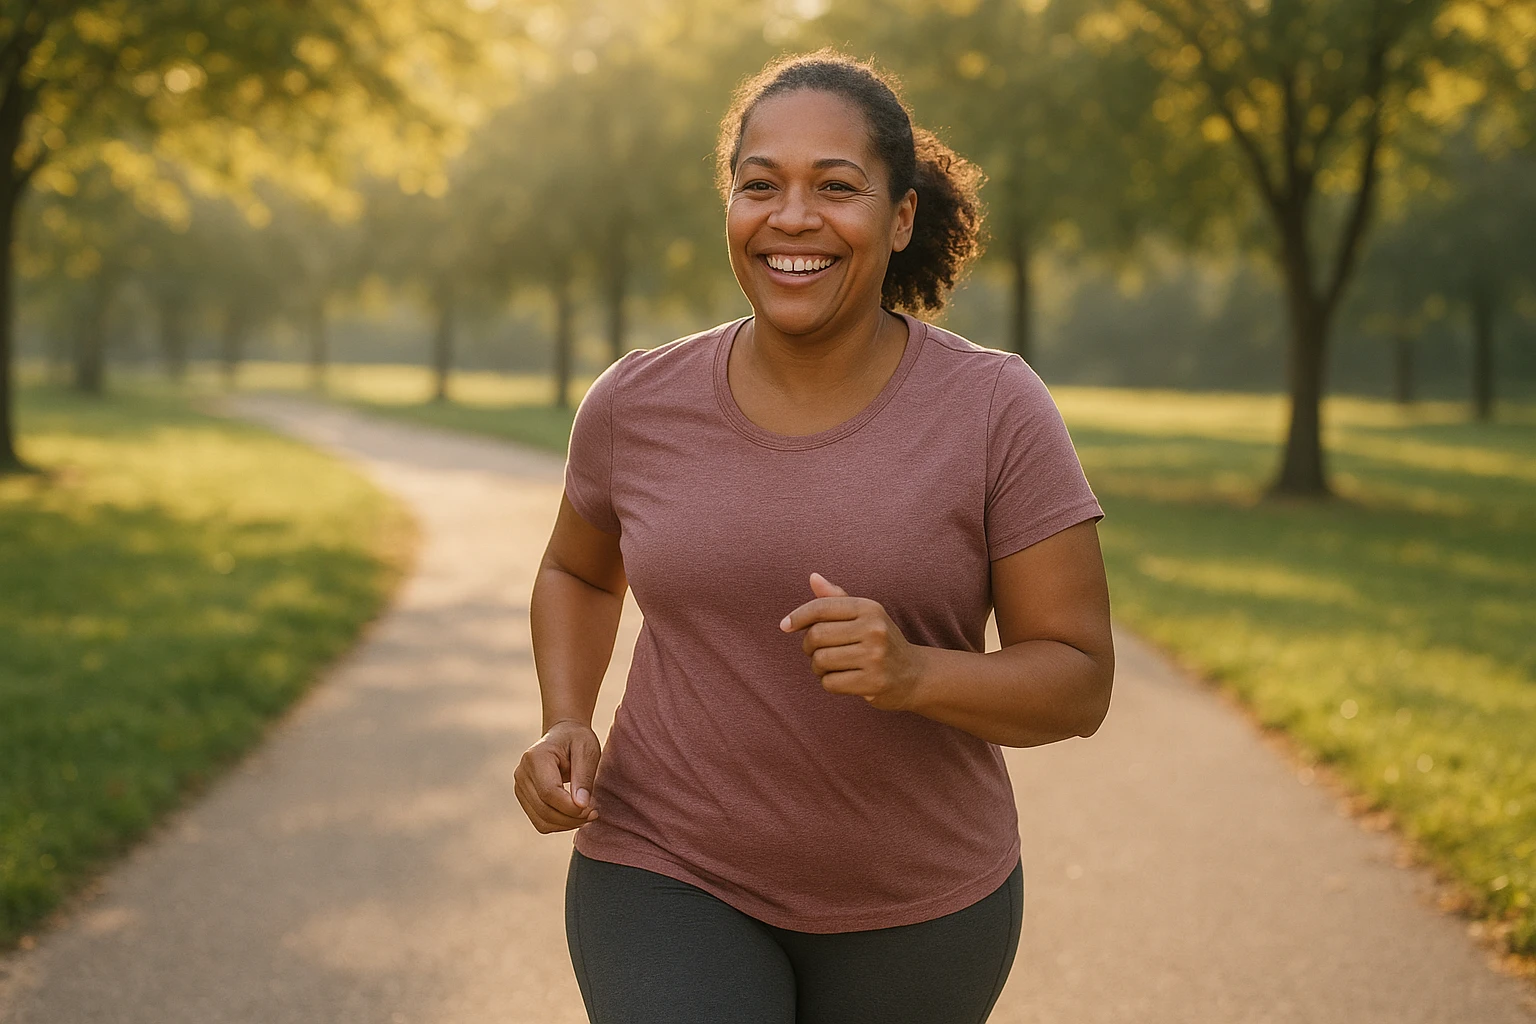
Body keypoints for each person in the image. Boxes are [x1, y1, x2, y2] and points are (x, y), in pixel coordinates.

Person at [517, 49, 1115, 1024]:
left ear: (902, 217)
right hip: (665, 865)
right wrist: (566, 716)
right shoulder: (636, 401)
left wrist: (916, 672)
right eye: (761, 186)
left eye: (836, 187)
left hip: (920, 902)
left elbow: (1079, 680)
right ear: (730, 207)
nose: (792, 217)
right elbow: (578, 572)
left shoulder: (995, 408)